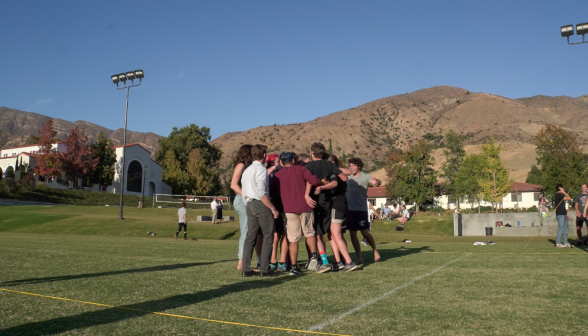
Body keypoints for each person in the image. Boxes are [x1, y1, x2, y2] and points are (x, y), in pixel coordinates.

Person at [273, 152, 323, 275]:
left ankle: (294, 266)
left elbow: (271, 190)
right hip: (305, 207)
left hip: (289, 210)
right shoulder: (301, 169)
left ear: (281, 162)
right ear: (294, 160)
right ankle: (313, 257)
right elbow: (315, 181)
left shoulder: (277, 175)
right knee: (309, 232)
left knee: (293, 239)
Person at [304, 142, 348, 273]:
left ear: (312, 152)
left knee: (317, 234)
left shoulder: (308, 166)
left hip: (313, 202)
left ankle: (324, 262)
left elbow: (307, 181)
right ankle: (338, 260)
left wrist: (307, 194)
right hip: (328, 202)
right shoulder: (329, 165)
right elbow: (344, 178)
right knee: (328, 234)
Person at [240, 144, 281, 277]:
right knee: (268, 236)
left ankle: (246, 268)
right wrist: (273, 209)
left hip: (249, 204)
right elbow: (261, 192)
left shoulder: (247, 170)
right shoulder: (261, 170)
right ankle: (265, 268)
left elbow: (245, 190)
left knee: (250, 237)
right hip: (260, 203)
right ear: (264, 155)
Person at [346, 157, 381, 264]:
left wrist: (377, 182)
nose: (351, 167)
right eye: (350, 165)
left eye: (353, 165)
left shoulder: (365, 176)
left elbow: (374, 183)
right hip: (350, 209)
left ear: (359, 167)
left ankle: (375, 250)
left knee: (364, 232)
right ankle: (359, 257)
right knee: (352, 233)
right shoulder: (347, 177)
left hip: (361, 209)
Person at [327, 154, 356, 272]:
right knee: (334, 235)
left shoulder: (335, 174)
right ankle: (339, 261)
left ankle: (349, 261)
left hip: (337, 206)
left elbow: (348, 172)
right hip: (341, 206)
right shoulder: (337, 174)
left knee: (336, 236)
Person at [230, 144, 254, 271]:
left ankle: (243, 262)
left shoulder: (248, 167)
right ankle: (242, 263)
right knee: (246, 231)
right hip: (241, 200)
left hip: (244, 199)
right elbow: (233, 185)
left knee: (248, 231)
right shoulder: (241, 165)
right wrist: (245, 196)